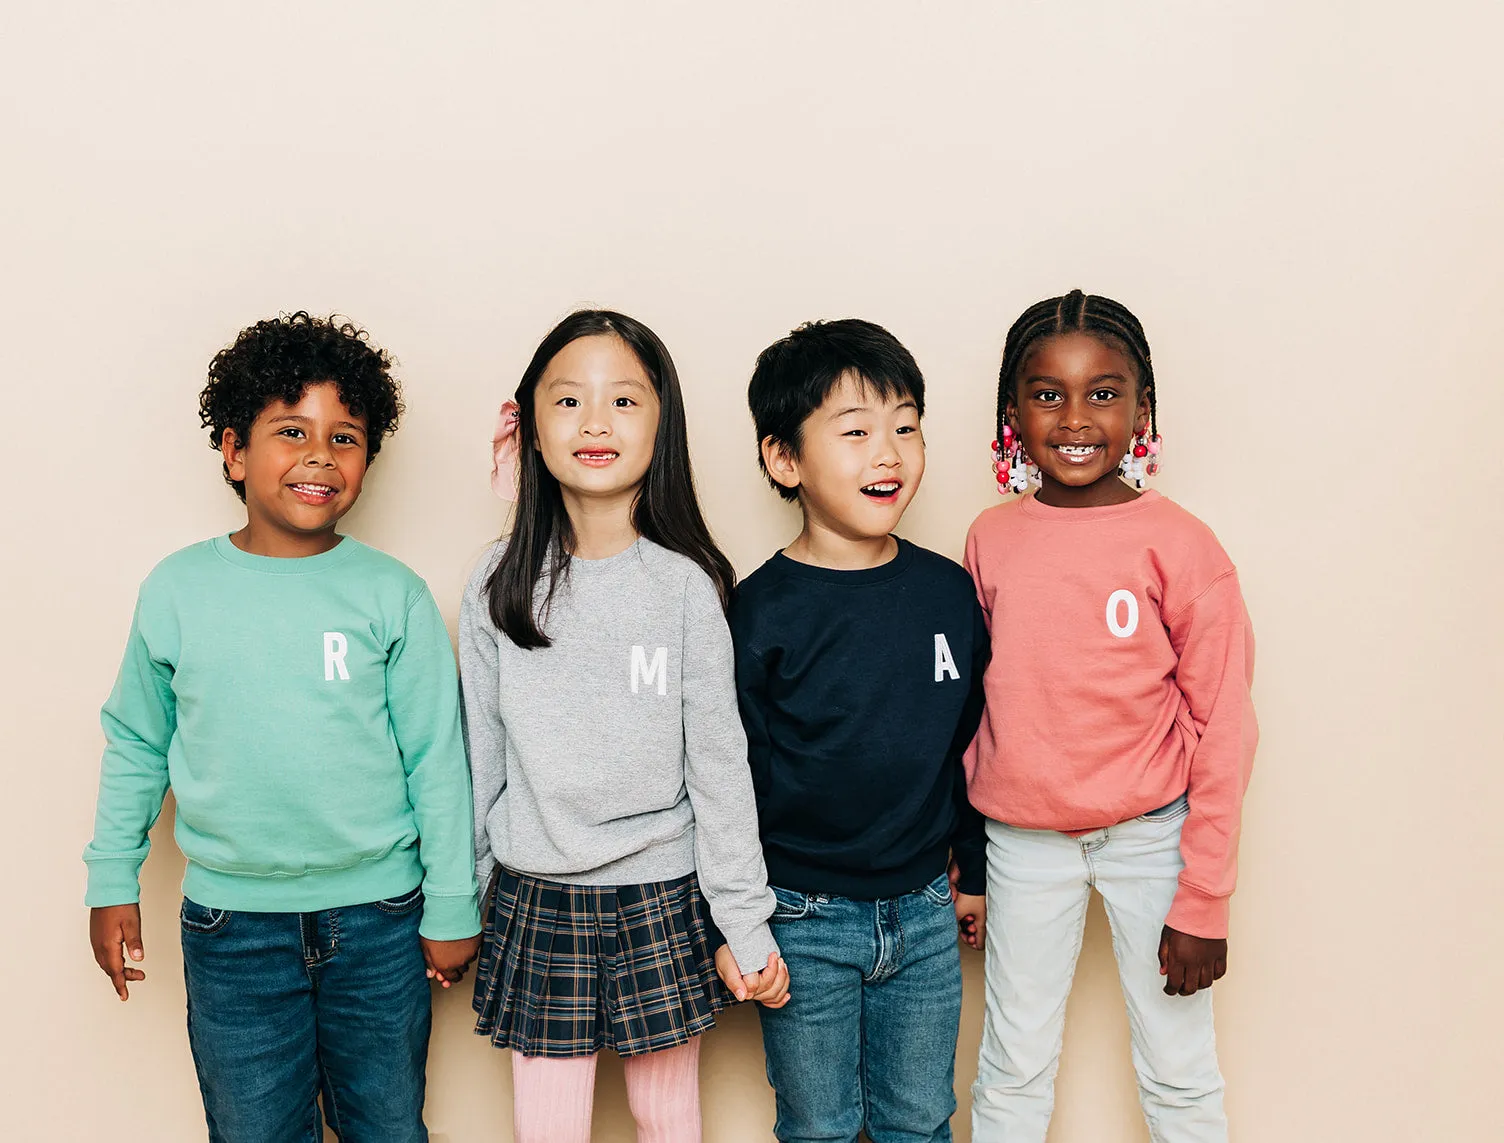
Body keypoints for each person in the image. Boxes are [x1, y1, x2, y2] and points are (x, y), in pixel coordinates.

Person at [83, 312, 479, 1142]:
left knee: (388, 1126)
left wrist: (451, 901)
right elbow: (136, 742)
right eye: (290, 430)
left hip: (380, 918)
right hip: (232, 932)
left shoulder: (391, 594)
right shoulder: (178, 590)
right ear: (233, 449)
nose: (318, 456)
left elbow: (437, 759)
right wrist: (112, 877)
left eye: (346, 436)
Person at [460, 309, 786, 1143]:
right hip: (536, 893)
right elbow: (480, 758)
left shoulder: (686, 588)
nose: (596, 422)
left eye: (624, 402)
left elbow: (721, 768)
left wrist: (743, 923)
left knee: (668, 1117)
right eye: (568, 401)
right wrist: (466, 896)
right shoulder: (497, 582)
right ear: (529, 427)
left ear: (661, 425)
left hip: (660, 892)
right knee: (549, 1126)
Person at [966, 290, 1259, 1142]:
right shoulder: (989, 540)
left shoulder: (1183, 546)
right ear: (1011, 411)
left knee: (1178, 1069)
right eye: (1047, 392)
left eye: (1104, 391)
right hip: (1023, 843)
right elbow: (975, 703)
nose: (1075, 417)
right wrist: (968, 862)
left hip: (1152, 838)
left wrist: (1203, 897)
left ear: (1142, 408)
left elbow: (1226, 731)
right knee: (1013, 1065)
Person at [727, 318, 989, 1143]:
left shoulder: (949, 592)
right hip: (802, 916)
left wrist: (972, 871)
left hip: (922, 910)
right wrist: (736, 923)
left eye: (906, 426)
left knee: (921, 1120)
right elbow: (730, 774)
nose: (890, 452)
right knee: (819, 1125)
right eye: (857, 432)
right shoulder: (760, 611)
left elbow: (971, 744)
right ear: (784, 458)